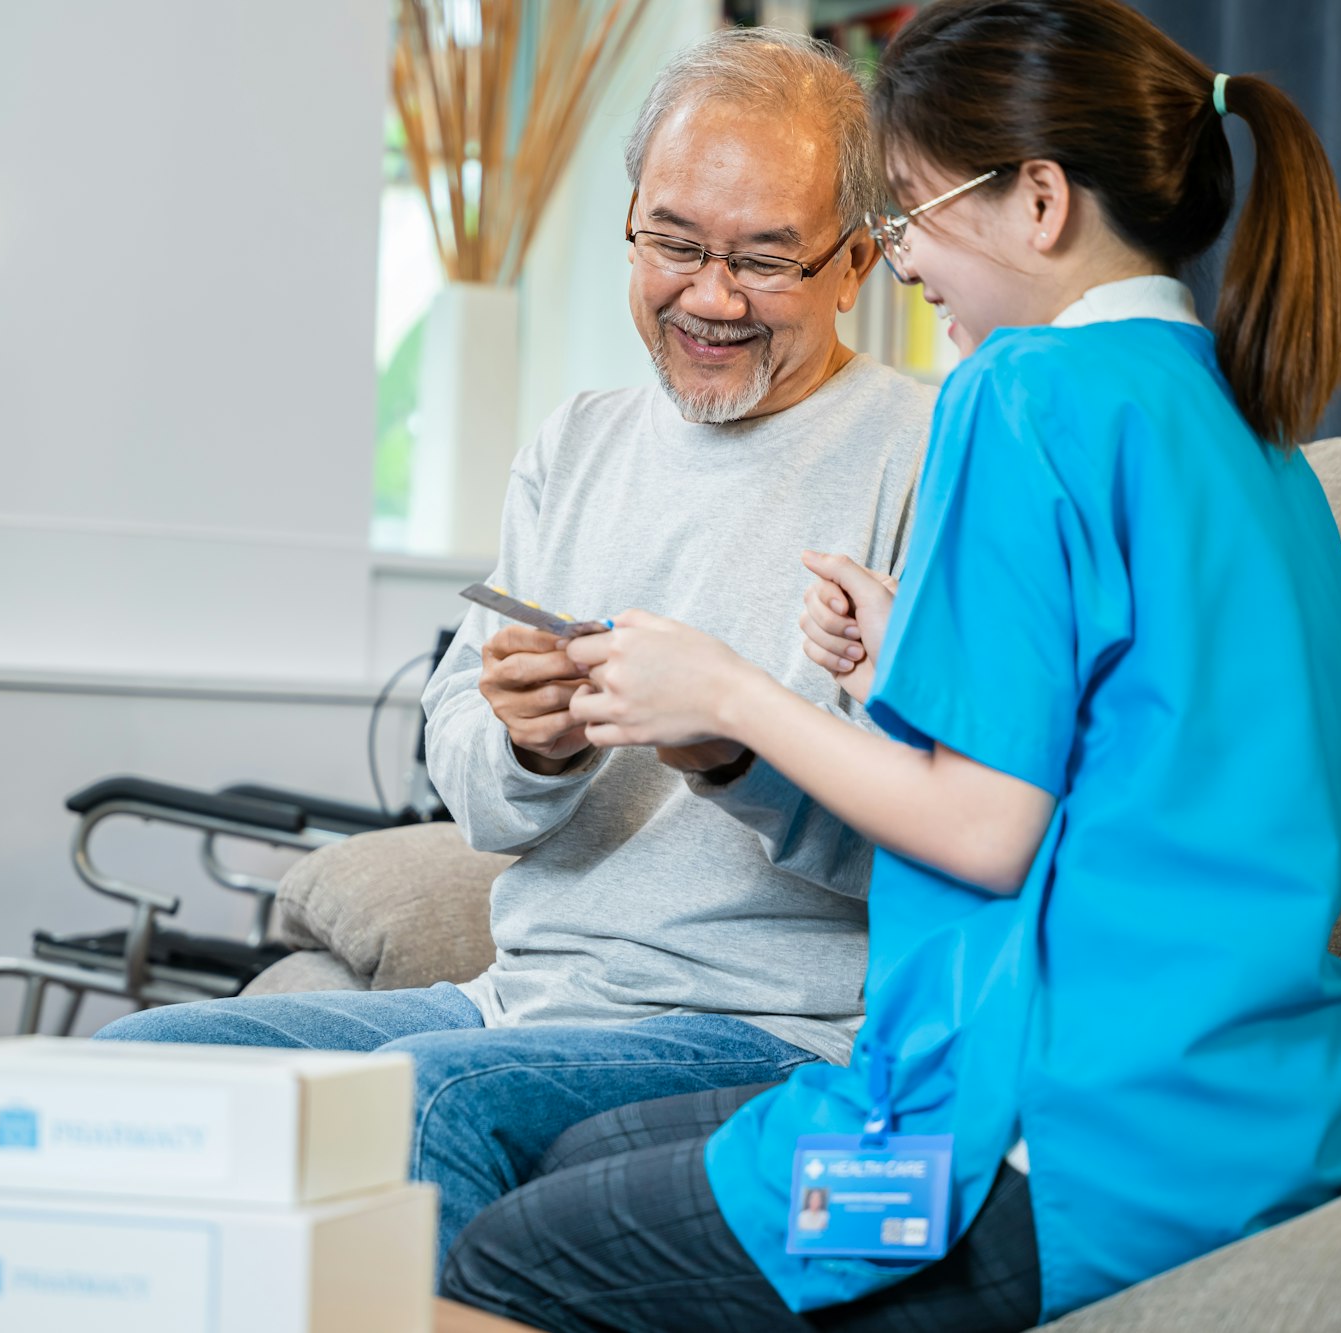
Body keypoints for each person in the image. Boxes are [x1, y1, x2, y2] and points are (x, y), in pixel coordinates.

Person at [437, 1, 1341, 1327]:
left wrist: (729, 696)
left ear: (1043, 202)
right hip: (1259, 1127)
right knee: (584, 1158)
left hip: (1022, 1150)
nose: (895, 264)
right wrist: (913, 648)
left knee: (507, 1252)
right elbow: (1147, 731)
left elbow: (985, 831)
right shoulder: (1245, 419)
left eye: (907, 212)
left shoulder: (1020, 392)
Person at [94, 28, 936, 1261]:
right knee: (132, 1068)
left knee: (430, 1096)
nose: (708, 297)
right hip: (521, 998)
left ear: (854, 261)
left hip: (774, 1023)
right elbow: (473, 780)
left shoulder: (928, 456)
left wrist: (732, 754)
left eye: (763, 260)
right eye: (674, 244)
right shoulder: (576, 443)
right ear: (631, 223)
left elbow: (944, 836)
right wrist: (527, 749)